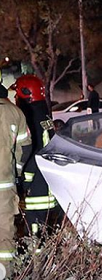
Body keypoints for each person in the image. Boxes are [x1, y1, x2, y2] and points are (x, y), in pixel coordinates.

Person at [10, 75, 60, 237]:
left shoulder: (30, 118)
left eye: (17, 94)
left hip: (35, 191)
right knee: (44, 233)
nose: (15, 98)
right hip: (46, 186)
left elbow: (33, 151)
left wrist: (24, 182)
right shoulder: (44, 115)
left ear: (26, 94)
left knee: (35, 236)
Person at [0, 83, 32, 280]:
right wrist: (16, 172)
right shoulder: (15, 112)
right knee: (4, 236)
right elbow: (25, 148)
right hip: (4, 188)